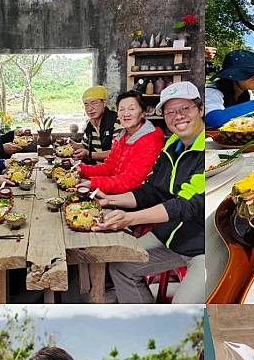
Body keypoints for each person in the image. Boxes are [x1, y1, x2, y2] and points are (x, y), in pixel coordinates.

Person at [91, 82, 204, 304]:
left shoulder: (202, 150)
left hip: (200, 246)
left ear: (200, 109)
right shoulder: (171, 146)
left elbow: (186, 205)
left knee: (183, 307)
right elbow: (151, 190)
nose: (178, 116)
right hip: (169, 236)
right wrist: (108, 200)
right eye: (170, 111)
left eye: (185, 108)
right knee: (121, 265)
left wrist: (128, 217)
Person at [76, 91, 164, 194]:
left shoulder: (151, 140)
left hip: (135, 201)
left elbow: (131, 181)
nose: (126, 114)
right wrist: (82, 170)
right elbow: (109, 167)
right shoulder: (122, 136)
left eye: (131, 109)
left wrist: (93, 183)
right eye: (121, 109)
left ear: (143, 112)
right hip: (117, 193)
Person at [70, 85, 119, 164]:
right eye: (86, 104)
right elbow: (85, 146)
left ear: (104, 103)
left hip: (114, 171)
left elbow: (118, 152)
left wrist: (89, 154)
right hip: (96, 169)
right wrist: (71, 144)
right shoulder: (90, 124)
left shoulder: (116, 121)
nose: (90, 109)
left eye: (94, 103)